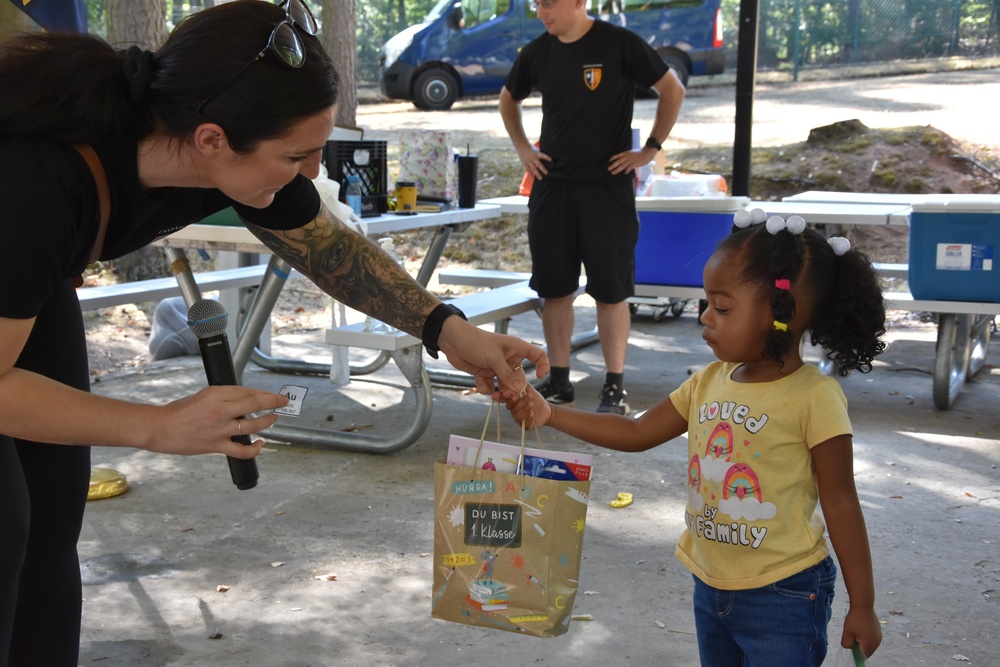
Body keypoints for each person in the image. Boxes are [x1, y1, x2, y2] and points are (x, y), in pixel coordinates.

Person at [0, 2, 546, 665]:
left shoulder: (211, 144)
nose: (311, 172)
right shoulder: (38, 180)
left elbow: (325, 247)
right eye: (298, 155)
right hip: (21, 247)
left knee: (51, 516)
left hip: (33, 276)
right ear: (211, 140)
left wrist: (449, 328)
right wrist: (156, 425)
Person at [505, 210, 886, 665]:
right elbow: (637, 430)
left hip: (784, 593)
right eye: (707, 303)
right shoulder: (708, 381)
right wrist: (549, 413)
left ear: (783, 314)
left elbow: (841, 501)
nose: (705, 317)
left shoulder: (815, 397)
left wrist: (862, 605)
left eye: (722, 308)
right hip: (710, 584)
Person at [499, 0, 685, 415]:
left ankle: (614, 387)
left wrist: (650, 149)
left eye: (549, 3)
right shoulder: (537, 52)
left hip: (607, 189)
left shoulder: (619, 44)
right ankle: (559, 381)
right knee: (554, 289)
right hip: (552, 188)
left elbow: (673, 89)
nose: (541, 12)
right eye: (536, 4)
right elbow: (508, 99)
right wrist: (524, 149)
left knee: (611, 291)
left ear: (579, 1)